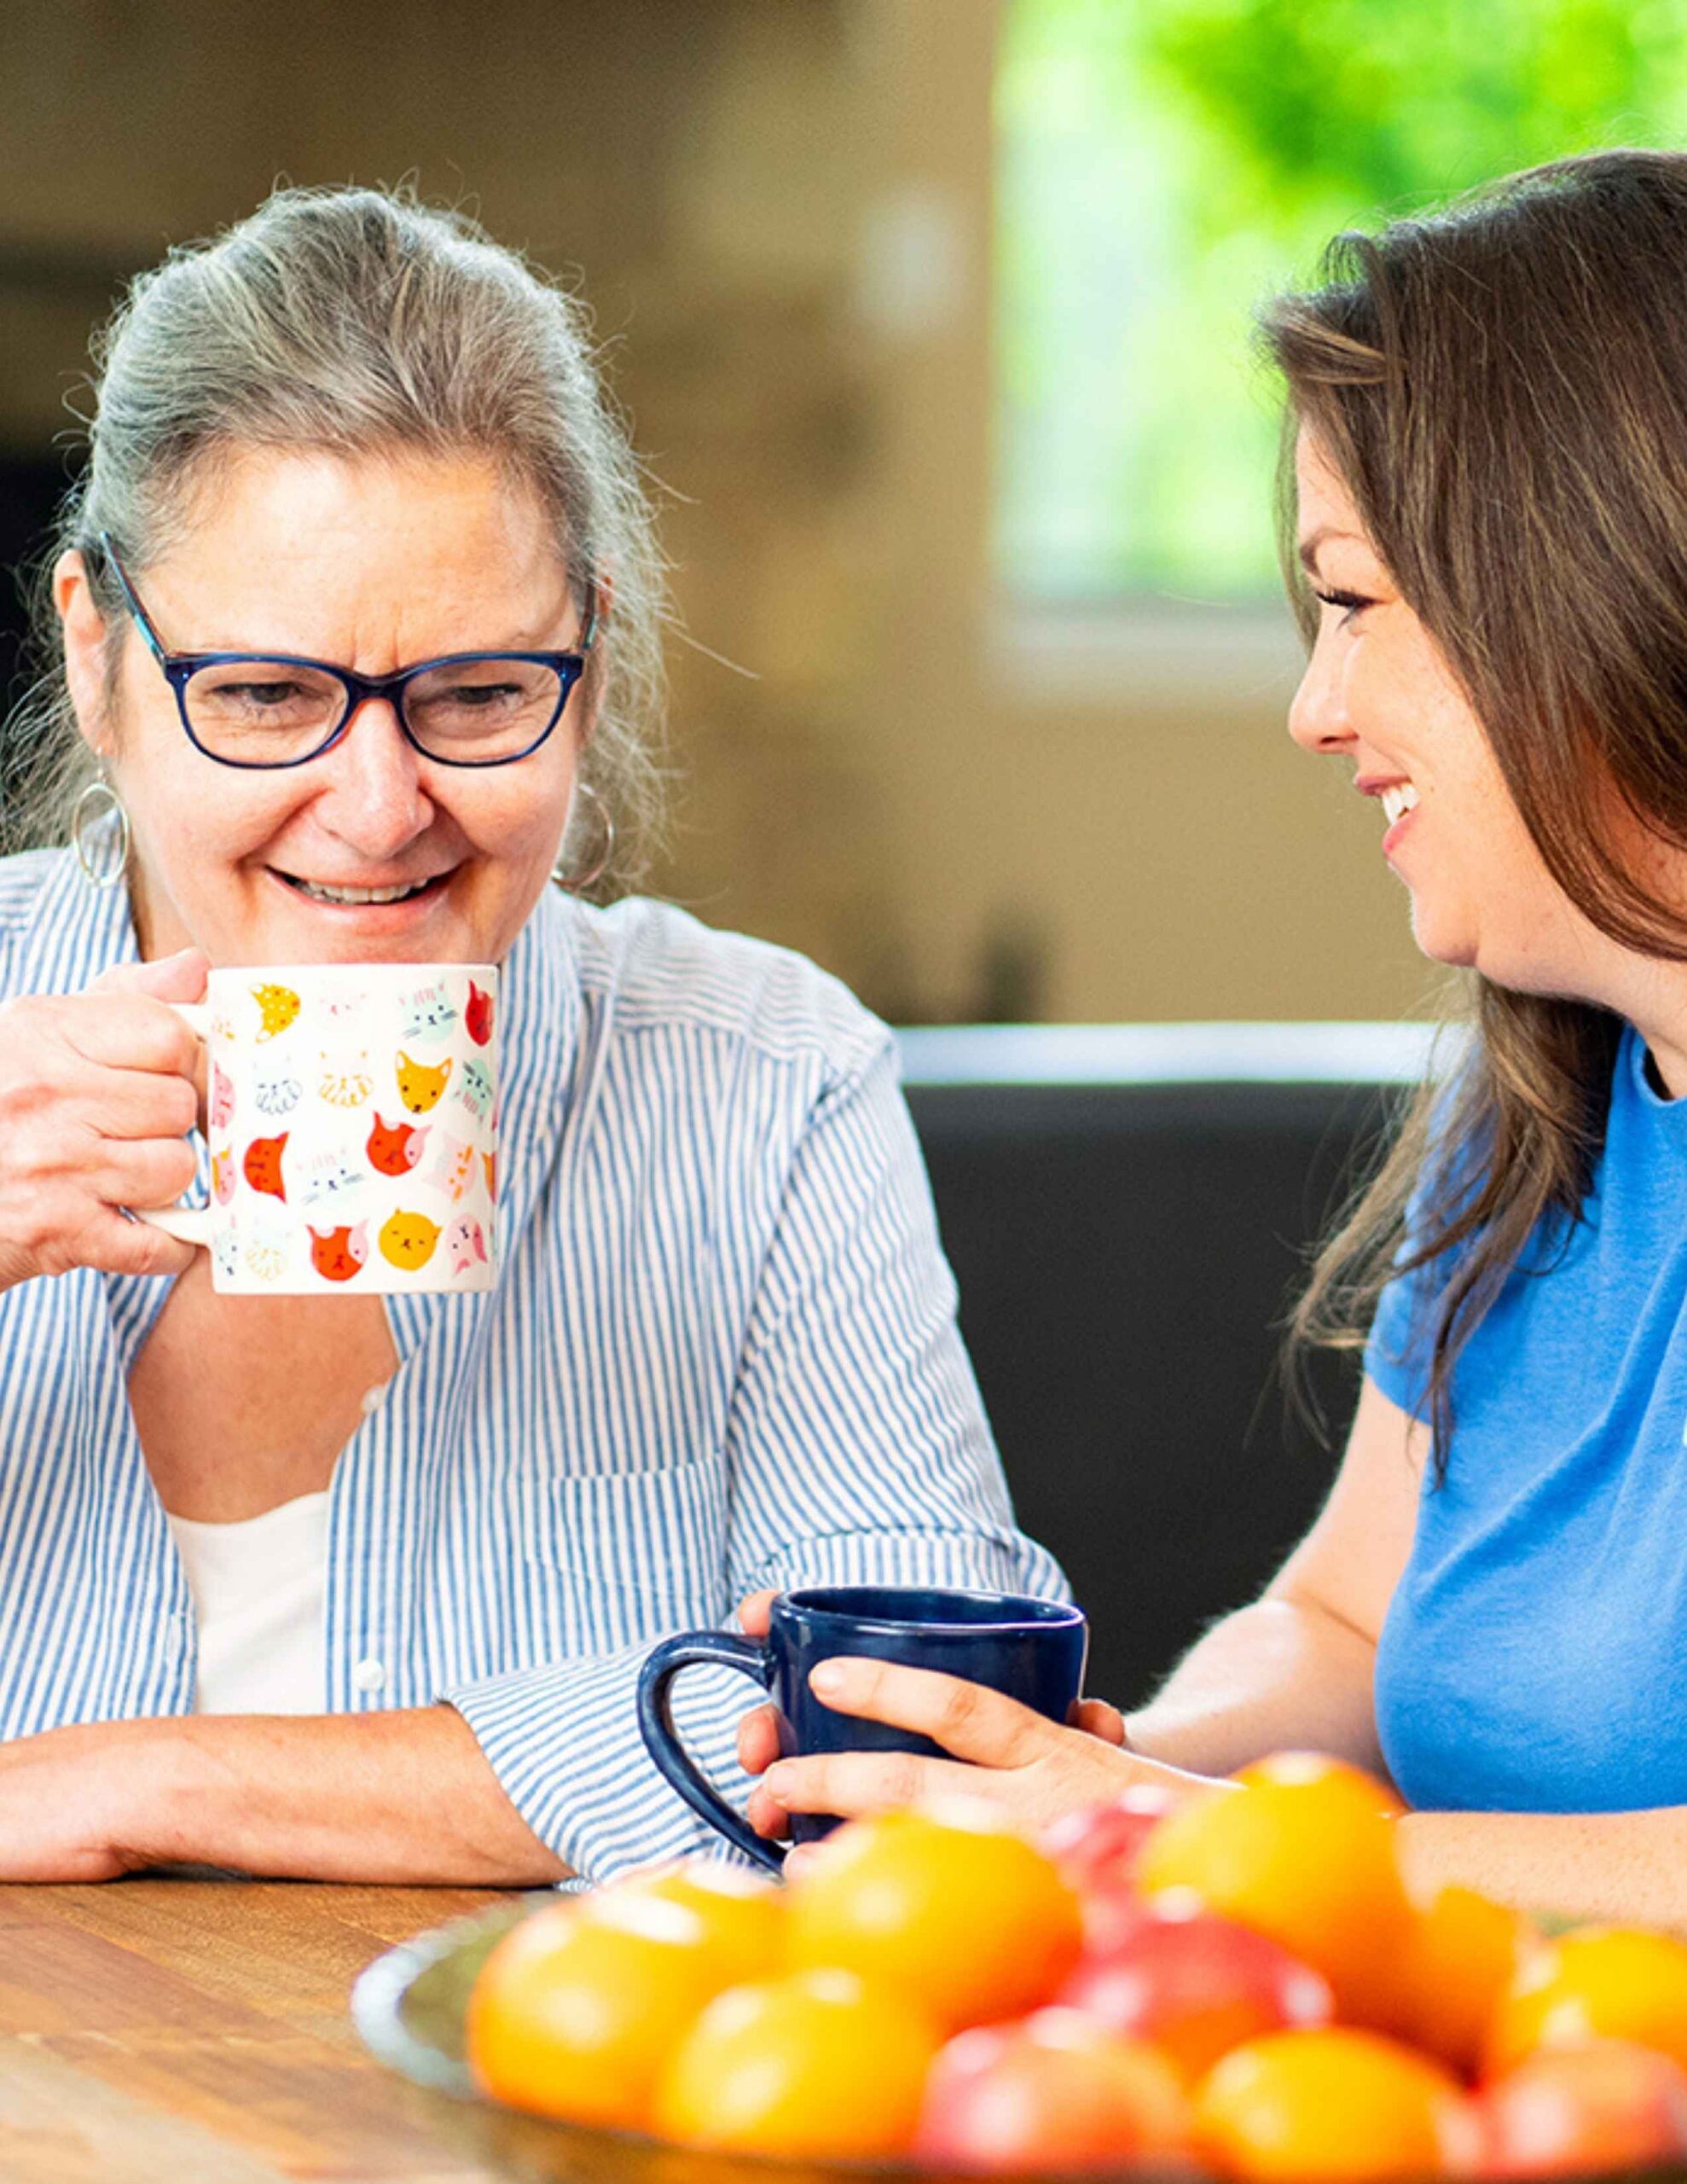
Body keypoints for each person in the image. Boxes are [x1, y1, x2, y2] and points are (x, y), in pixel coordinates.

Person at [0, 184, 1065, 1885]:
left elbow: (917, 1727)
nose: (374, 808)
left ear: (591, 643)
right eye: (267, 696)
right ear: (105, 658)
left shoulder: (763, 1081)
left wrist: (140, 1777)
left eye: (478, 694)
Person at [739, 148, 1687, 1929]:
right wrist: (1082, 1787)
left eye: (1349, 602)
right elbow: (1341, 1624)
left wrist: (1159, 1836)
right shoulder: (1542, 1105)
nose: (1310, 708)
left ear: (1581, 583)